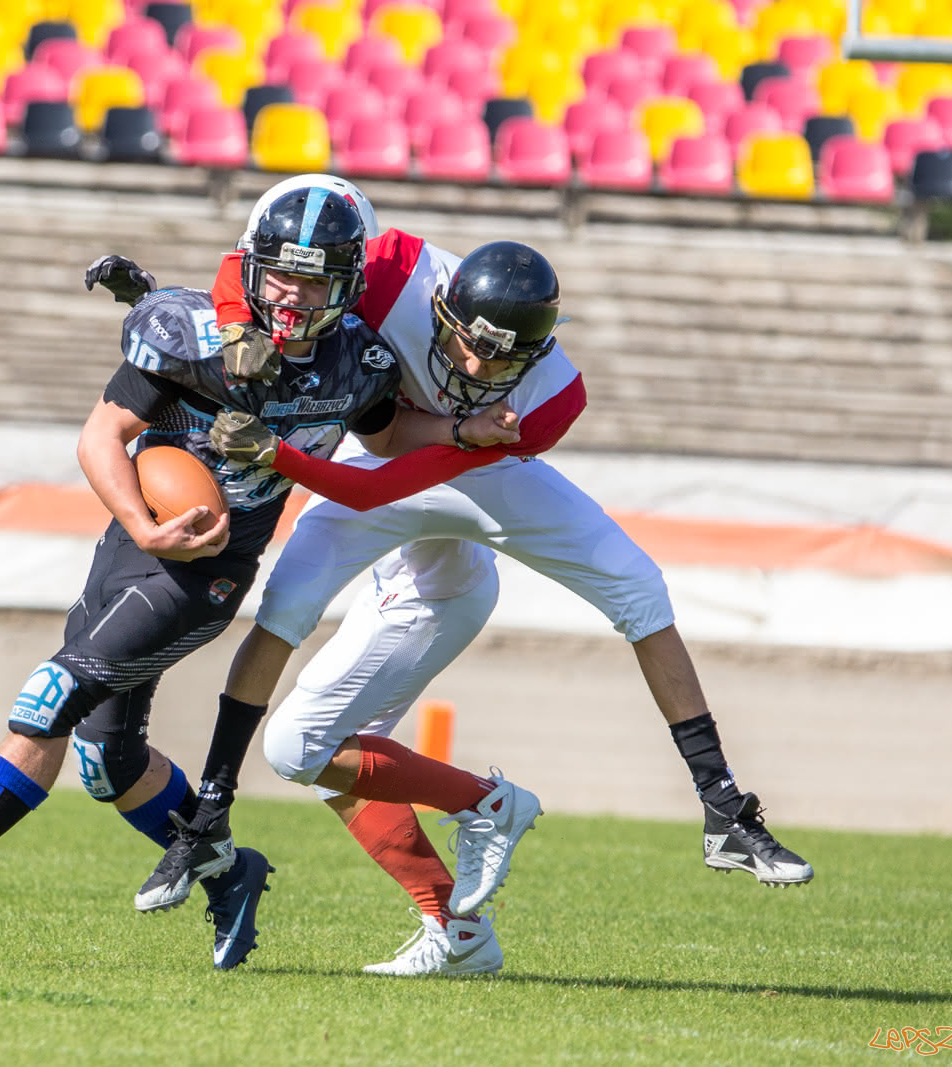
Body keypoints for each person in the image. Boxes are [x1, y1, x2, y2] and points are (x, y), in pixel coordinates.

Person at [99, 176, 813, 976]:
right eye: (464, 343)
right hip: (381, 451)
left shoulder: (550, 402)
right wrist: (209, 316)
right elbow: (259, 263)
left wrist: (284, 455)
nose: (475, 364)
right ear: (439, 307)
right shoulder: (394, 267)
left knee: (639, 585)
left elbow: (385, 483)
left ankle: (722, 805)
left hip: (451, 467)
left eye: (501, 358)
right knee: (291, 662)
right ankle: (244, 821)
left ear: (536, 354)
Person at [0, 189, 519, 971]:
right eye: (281, 275)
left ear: (347, 282)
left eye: (313, 281)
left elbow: (384, 430)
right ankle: (231, 875)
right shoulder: (193, 337)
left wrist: (457, 429)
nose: (292, 294)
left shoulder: (360, 360)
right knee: (111, 763)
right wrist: (138, 521)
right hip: (134, 544)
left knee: (49, 695)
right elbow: (104, 432)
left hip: (205, 573)